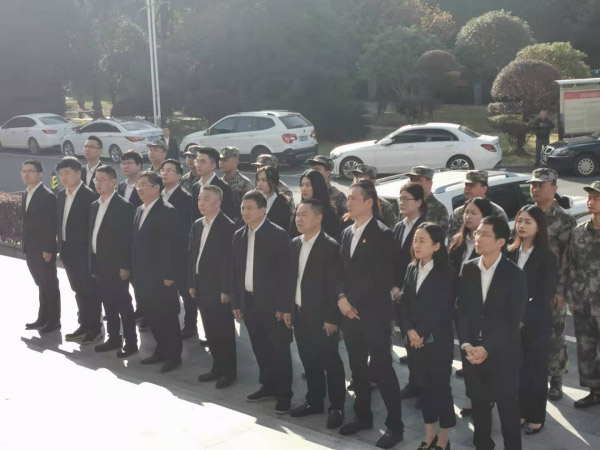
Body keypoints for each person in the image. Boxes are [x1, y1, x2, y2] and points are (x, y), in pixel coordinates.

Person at [337, 180, 404, 449]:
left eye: (354, 198)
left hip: (374, 314)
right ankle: (362, 416)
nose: (348, 203)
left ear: (369, 202)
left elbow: (379, 276)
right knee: (357, 368)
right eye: (348, 198)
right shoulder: (347, 232)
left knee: (382, 369)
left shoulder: (382, 234)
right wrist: (341, 298)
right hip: (349, 312)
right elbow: (340, 271)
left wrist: (349, 300)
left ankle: (395, 426)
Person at [457, 216, 527, 450]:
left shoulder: (514, 274)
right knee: (479, 406)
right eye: (477, 233)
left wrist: (486, 348)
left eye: (485, 234)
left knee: (508, 408)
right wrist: (467, 344)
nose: (478, 238)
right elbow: (462, 310)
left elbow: (512, 320)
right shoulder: (469, 268)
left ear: (500, 241)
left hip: (502, 352)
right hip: (472, 352)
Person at [230, 190, 293, 414]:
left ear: (263, 210)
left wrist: (283, 306)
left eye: (250, 208)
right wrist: (236, 303)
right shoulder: (239, 235)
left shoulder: (278, 235)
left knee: (279, 350)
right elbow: (235, 271)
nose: (245, 212)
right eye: (243, 208)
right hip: (249, 302)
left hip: (273, 305)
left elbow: (287, 275)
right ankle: (268, 385)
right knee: (260, 347)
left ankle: (284, 394)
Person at [288, 200, 346, 429]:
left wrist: (332, 318)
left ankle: (337, 406)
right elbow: (290, 280)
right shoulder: (294, 243)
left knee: (330, 362)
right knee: (309, 359)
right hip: (300, 314)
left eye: (304, 215)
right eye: (297, 214)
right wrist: (288, 309)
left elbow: (335, 284)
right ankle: (314, 400)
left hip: (323, 318)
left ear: (318, 218)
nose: (299, 219)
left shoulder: (330, 246)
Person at [401, 223, 456, 450]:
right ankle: (429, 435)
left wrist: (420, 333)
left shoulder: (447, 273)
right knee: (424, 389)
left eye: (422, 240)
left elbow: (443, 310)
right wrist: (409, 330)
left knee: (440, 389)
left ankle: (443, 438)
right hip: (414, 341)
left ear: (436, 246)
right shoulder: (411, 268)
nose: (416, 244)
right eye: (415, 240)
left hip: (437, 342)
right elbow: (404, 304)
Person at [507, 205, 558, 433]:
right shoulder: (510, 252)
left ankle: (536, 416)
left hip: (535, 322)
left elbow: (544, 294)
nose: (522, 225)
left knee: (535, 370)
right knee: (517, 370)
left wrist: (522, 317)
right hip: (510, 323)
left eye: (528, 222)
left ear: (539, 227)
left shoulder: (547, 256)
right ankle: (520, 411)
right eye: (520, 220)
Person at [527, 168, 576, 400]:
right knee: (529, 333)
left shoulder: (564, 220)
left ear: (554, 188)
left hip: (552, 287)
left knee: (554, 335)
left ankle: (556, 379)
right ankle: (533, 375)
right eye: (533, 185)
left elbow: (568, 260)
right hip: (529, 285)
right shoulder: (527, 213)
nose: (535, 189)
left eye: (541, 185)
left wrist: (561, 291)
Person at [132, 170, 182, 373]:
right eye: (138, 185)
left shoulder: (167, 211)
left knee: (167, 316)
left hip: (161, 277)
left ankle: (174, 356)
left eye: (144, 185)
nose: (140, 188)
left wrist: (169, 275)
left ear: (156, 188)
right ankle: (161, 350)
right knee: (152, 315)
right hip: (143, 276)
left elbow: (173, 246)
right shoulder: (139, 209)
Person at [448, 197, 494, 413]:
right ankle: (471, 396)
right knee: (466, 351)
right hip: (459, 306)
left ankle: (486, 397)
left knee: (482, 352)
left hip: (481, 308)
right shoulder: (457, 242)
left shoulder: (490, 245)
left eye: (474, 213)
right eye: (466, 212)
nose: (468, 216)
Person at [189, 185, 237, 389]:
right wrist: (191, 282)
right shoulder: (197, 224)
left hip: (219, 289)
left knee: (224, 331)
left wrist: (226, 289)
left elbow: (230, 262)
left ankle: (229, 372)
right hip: (201, 285)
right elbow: (192, 255)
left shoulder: (228, 227)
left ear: (218, 203)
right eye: (200, 199)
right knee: (210, 330)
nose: (201, 203)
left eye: (206, 199)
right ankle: (217, 367)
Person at [89, 166, 138, 358]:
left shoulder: (123, 206)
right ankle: (113, 337)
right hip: (98, 263)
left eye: (102, 179)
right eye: (96, 180)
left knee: (123, 303)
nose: (98, 183)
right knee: (107, 303)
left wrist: (125, 265)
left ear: (113, 182)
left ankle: (131, 342)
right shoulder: (94, 205)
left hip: (116, 266)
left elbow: (127, 239)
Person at [56, 157, 102, 345]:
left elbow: (94, 229)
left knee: (90, 291)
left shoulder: (90, 197)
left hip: (85, 254)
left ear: (78, 173)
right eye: (61, 174)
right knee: (78, 290)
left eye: (67, 173)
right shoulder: (61, 195)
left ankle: (95, 329)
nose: (63, 177)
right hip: (67, 252)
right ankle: (84, 325)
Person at [564, 181, 600, 408]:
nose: (591, 201)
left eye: (596, 198)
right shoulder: (579, 232)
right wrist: (571, 296)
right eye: (589, 197)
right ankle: (595, 391)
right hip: (584, 302)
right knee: (586, 350)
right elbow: (571, 266)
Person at [391, 183, 427, 401]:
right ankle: (414, 383)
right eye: (400, 198)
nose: (402, 202)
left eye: (407, 199)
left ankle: (424, 388)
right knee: (407, 340)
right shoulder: (398, 226)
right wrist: (394, 286)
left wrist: (406, 289)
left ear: (419, 202)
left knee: (421, 342)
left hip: (418, 294)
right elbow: (392, 260)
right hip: (398, 292)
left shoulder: (426, 227)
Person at [21, 160, 61, 333]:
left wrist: (48, 249)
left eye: (30, 171)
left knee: (50, 285)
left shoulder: (47, 196)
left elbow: (51, 225)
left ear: (40, 174)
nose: (26, 174)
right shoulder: (26, 193)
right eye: (23, 171)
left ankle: (54, 320)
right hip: (30, 248)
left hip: (43, 249)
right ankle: (42, 318)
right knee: (41, 284)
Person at [159, 159, 197, 340]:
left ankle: (190, 324)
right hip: (161, 252)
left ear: (179, 175)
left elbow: (185, 229)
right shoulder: (158, 194)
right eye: (163, 170)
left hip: (179, 252)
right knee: (165, 292)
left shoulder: (185, 198)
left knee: (185, 292)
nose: (165, 173)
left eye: (170, 170)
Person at [447, 171, 508, 239]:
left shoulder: (497, 212)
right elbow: (451, 238)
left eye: (472, 185)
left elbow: (501, 240)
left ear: (484, 189)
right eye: (466, 185)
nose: (467, 188)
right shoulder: (458, 212)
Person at [290, 170, 338, 240]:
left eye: (308, 185)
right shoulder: (299, 208)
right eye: (302, 185)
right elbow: (292, 235)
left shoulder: (328, 212)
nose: (303, 189)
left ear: (317, 186)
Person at [191, 146, 235, 220]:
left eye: (203, 162)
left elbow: (227, 216)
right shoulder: (195, 186)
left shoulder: (223, 187)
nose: (198, 165)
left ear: (213, 165)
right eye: (197, 161)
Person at [403, 166, 449, 234]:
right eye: (412, 179)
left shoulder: (439, 209)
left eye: (418, 180)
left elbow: (441, 236)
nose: (414, 183)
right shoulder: (406, 204)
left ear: (430, 183)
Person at [219, 146, 254, 225]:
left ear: (235, 161)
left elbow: (250, 210)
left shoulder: (245, 184)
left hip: (238, 227)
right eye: (220, 160)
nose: (221, 163)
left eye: (225, 160)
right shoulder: (218, 183)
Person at [255, 166, 291, 233]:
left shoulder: (282, 206)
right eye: (258, 180)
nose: (259, 184)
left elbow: (283, 232)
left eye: (264, 180)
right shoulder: (254, 201)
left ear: (273, 182)